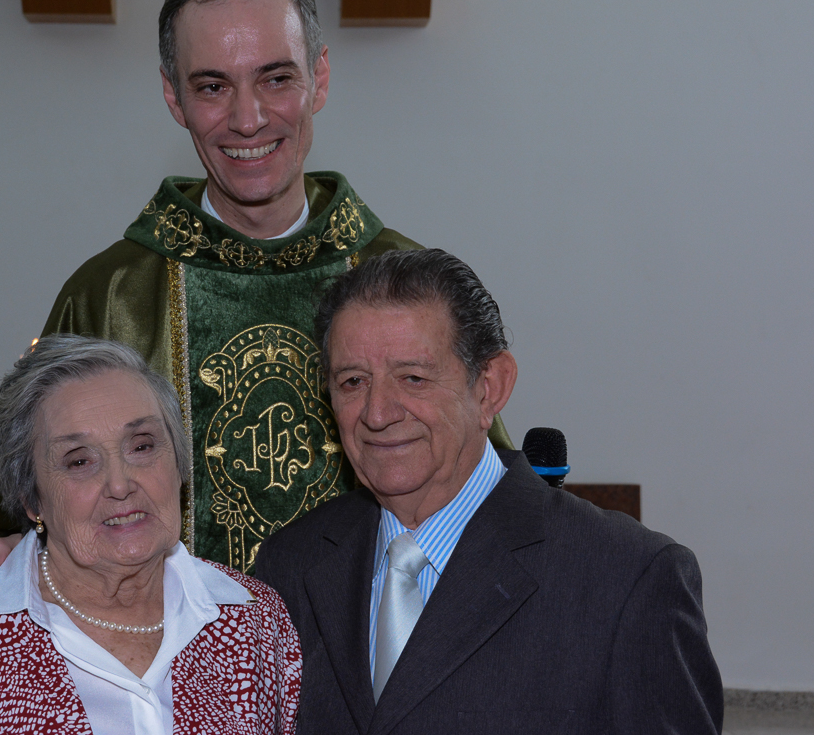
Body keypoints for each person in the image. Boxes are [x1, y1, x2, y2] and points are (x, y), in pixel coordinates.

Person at [0, 0, 512, 572]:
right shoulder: (111, 294)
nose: (248, 118)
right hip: (169, 662)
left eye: (277, 78)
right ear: (174, 97)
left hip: (384, 654)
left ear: (321, 76)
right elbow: (20, 525)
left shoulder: (406, 282)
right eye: (212, 87)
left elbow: (492, 497)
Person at [252, 249, 723, 733]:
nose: (377, 412)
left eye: (413, 378)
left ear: (490, 388)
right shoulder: (290, 565)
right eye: (353, 381)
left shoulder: (629, 580)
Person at [0, 336, 301, 734]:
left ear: (180, 465)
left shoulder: (255, 622)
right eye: (78, 461)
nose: (120, 483)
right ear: (32, 499)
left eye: (142, 445)